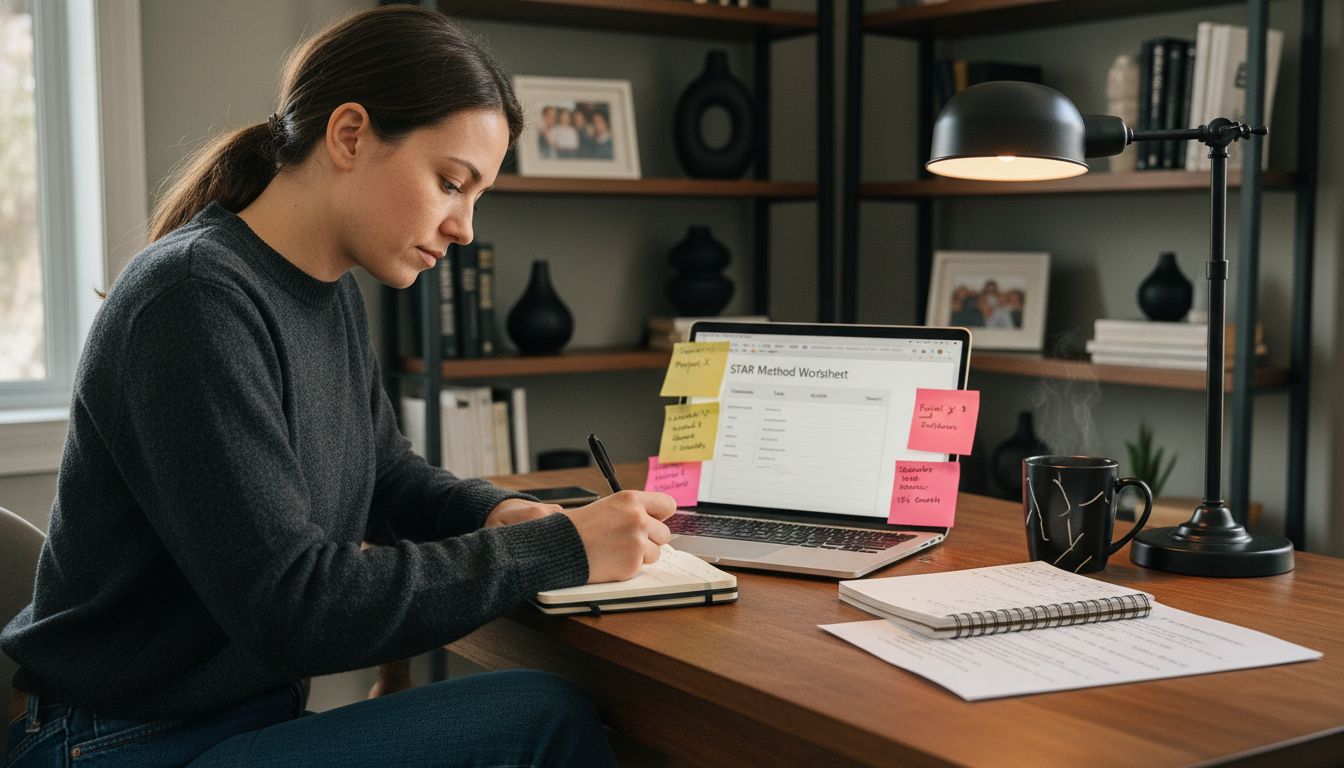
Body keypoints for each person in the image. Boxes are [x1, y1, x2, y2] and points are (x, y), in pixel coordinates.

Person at [0, 7, 674, 767]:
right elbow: (294, 608)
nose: (465, 228)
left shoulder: (327, 290)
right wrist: (552, 551)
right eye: (452, 182)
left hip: (230, 721)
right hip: (118, 747)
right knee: (544, 718)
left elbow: (383, 475)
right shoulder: (193, 299)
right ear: (349, 135)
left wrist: (501, 513)